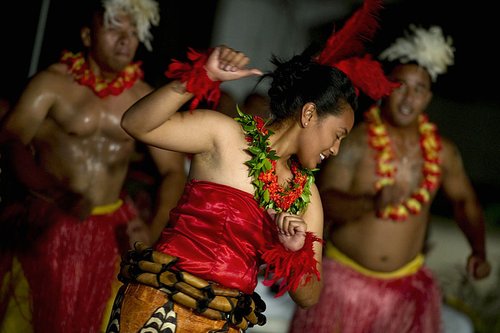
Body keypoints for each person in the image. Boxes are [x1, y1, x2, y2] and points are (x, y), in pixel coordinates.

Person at [101, 40, 358, 333]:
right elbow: (136, 124)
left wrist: (294, 251)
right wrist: (200, 78)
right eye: (337, 135)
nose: (336, 149)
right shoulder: (223, 135)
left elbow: (309, 297)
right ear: (309, 114)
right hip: (159, 304)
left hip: (224, 323)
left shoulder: (306, 196)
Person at [288, 24, 491, 333]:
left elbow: (464, 201)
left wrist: (478, 250)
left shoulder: (442, 152)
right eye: (400, 86)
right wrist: (373, 202)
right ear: (386, 88)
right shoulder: (356, 142)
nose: (408, 97)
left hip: (406, 289)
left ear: (428, 96)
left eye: (418, 88)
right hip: (344, 284)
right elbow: (323, 202)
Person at [0, 0, 186, 332]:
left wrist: (154, 228)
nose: (125, 40)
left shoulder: (143, 99)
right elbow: (11, 140)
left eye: (133, 32)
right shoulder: (51, 85)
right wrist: (54, 191)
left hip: (110, 233)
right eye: (115, 28)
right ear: (87, 35)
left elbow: (174, 169)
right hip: (47, 222)